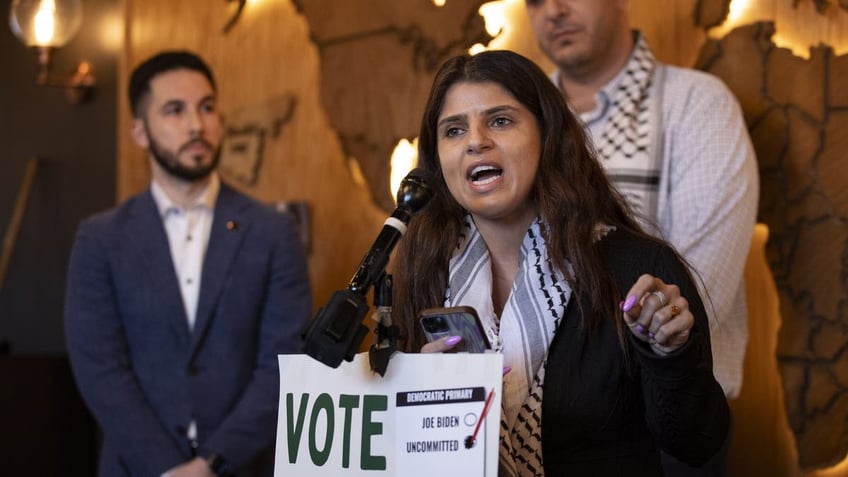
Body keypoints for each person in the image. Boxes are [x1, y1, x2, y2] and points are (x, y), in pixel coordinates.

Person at [392, 50, 729, 476]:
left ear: (548, 135)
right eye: (454, 130)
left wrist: (671, 355)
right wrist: (420, 400)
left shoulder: (636, 267)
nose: (475, 140)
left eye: (500, 120)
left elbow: (697, 444)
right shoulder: (424, 272)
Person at [64, 51, 312, 477]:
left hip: (246, 467)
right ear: (139, 131)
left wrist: (212, 464)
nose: (196, 125)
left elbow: (285, 362)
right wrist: (166, 468)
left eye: (207, 107)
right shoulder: (100, 239)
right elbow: (100, 369)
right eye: (174, 111)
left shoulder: (273, 232)